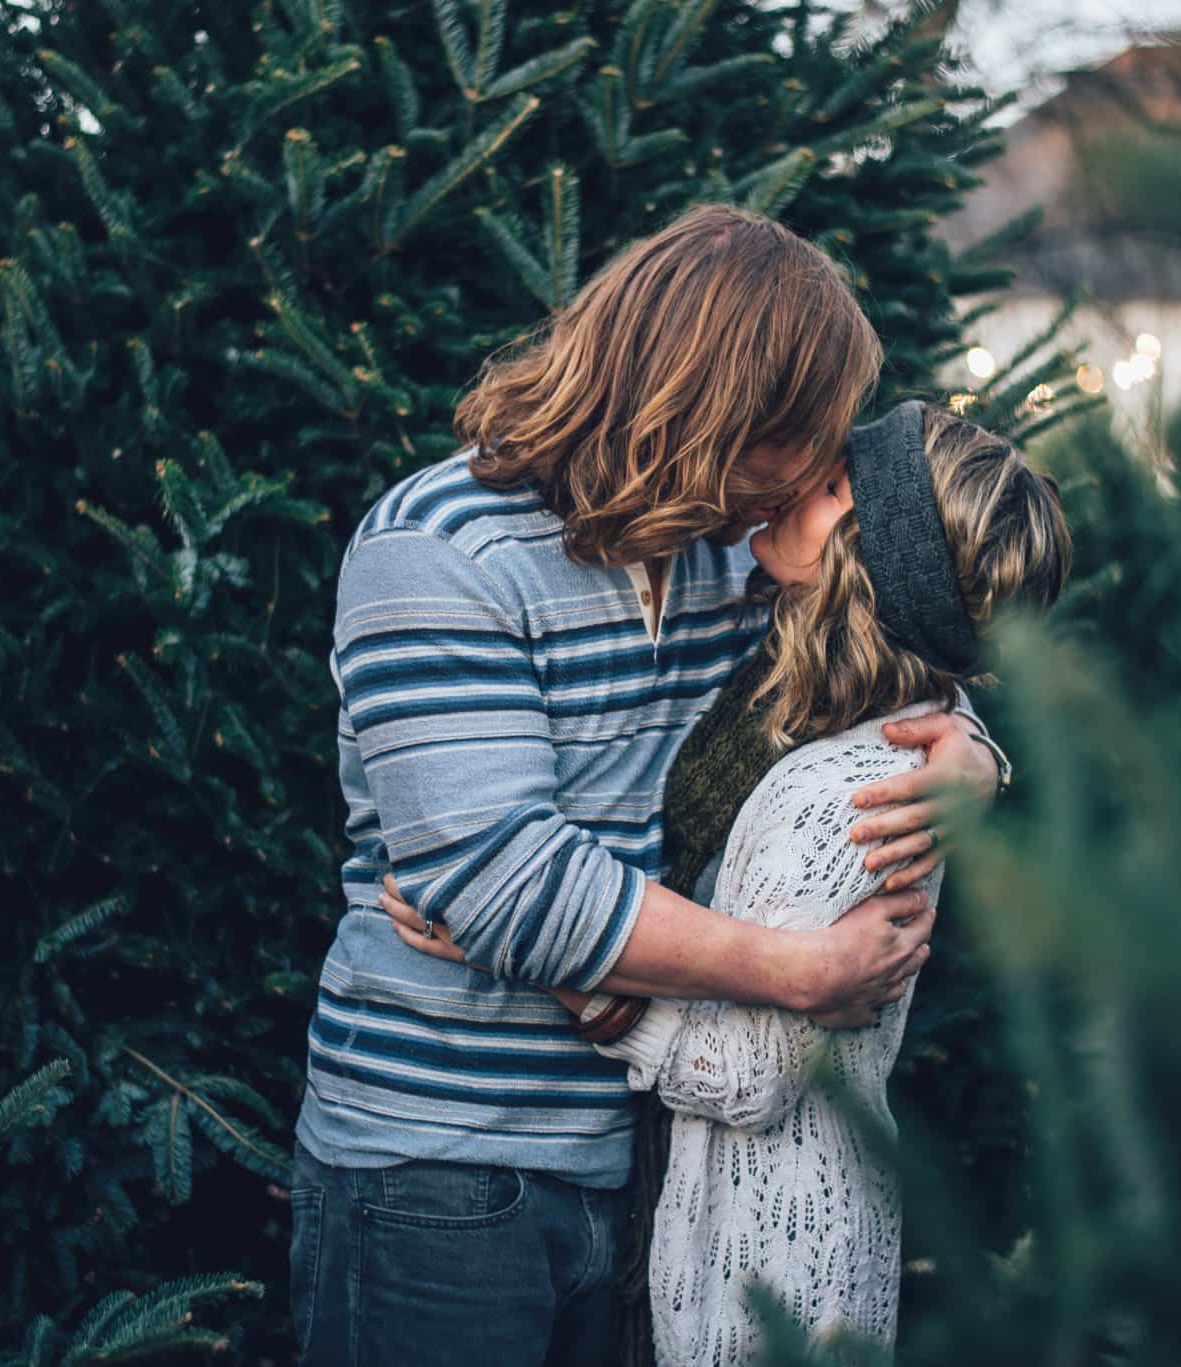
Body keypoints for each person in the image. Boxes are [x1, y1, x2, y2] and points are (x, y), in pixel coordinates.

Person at [289, 207, 1008, 1367]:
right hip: (439, 1166)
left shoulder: (728, 550)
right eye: (799, 441)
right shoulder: (437, 550)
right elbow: (505, 885)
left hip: (639, 1155)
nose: (813, 474)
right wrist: (791, 969)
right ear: (712, 410)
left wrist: (971, 753)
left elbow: (889, 636)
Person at [392, 400, 1072, 1365]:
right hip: (705, 1211)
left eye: (836, 487)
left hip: (771, 1253)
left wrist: (534, 952)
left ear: (874, 566)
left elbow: (751, 1076)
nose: (801, 483)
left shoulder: (855, 788)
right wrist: (977, 748)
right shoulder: (800, 675)